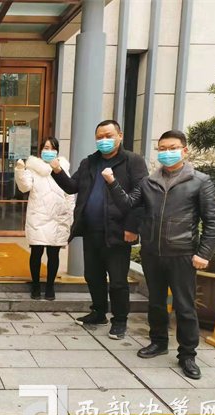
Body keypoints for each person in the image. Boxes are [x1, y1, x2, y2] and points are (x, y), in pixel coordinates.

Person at [102, 130, 215, 379]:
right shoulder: (149, 182)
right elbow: (127, 204)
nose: (167, 153)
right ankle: (158, 342)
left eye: (172, 148)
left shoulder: (200, 181)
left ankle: (187, 354)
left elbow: (212, 221)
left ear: (184, 150)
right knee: (156, 302)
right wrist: (112, 182)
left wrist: (204, 253)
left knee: (185, 306)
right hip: (152, 253)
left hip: (182, 253)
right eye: (163, 149)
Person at [50, 120, 148, 339]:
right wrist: (57, 171)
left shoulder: (133, 161)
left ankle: (120, 320)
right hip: (91, 229)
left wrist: (132, 227)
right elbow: (72, 187)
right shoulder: (89, 162)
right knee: (93, 275)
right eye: (100, 137)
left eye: (108, 135)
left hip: (118, 231)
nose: (104, 140)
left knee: (118, 280)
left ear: (120, 136)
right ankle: (98, 312)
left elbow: (140, 196)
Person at [15, 137, 74, 300]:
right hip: (38, 216)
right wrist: (20, 171)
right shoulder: (33, 168)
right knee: (36, 252)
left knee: (53, 254)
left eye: (52, 148)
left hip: (58, 216)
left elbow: (69, 192)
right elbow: (24, 187)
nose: (49, 151)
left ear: (57, 151)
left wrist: (70, 213)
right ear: (40, 151)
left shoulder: (63, 168)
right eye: (46, 148)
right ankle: (35, 286)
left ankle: (50, 286)